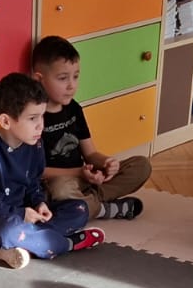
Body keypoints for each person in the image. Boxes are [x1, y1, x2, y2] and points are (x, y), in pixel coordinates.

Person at [0, 72, 100, 269]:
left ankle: (22, 244)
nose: (40, 125)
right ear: (6, 121)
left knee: (79, 209)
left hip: (26, 216)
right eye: (33, 118)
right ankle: (66, 243)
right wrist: (19, 214)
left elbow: (33, 183)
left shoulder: (35, 144)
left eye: (42, 116)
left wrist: (39, 203)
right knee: (8, 231)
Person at [31, 35, 149, 222]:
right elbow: (37, 171)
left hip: (85, 179)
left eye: (76, 77)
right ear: (39, 79)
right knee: (61, 190)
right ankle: (103, 209)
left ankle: (88, 204)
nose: (71, 85)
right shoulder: (33, 116)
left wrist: (106, 163)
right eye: (63, 78)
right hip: (57, 183)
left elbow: (90, 153)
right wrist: (78, 172)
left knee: (141, 166)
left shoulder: (74, 109)